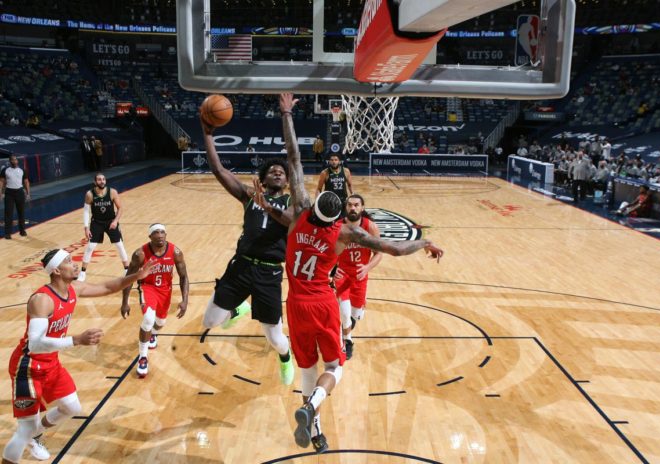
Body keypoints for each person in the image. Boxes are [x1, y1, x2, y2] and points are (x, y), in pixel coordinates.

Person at [263, 93, 443, 454]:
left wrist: (286, 112)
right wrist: (423, 242)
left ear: (314, 205)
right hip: (323, 302)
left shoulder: (298, 212)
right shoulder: (347, 234)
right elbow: (394, 248)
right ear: (340, 215)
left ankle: (312, 426)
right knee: (336, 366)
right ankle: (312, 406)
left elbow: (294, 158)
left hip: (295, 303)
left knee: (308, 370)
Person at [2, 249, 154, 464]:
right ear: (56, 270)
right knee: (23, 431)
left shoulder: (74, 289)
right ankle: (28, 437)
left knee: (72, 408)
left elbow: (107, 286)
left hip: (51, 363)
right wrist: (77, 340)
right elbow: (35, 344)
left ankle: (35, 434)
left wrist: (136, 276)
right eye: (67, 261)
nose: (74, 264)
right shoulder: (42, 300)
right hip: (27, 367)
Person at [199, 116, 295, 386]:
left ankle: (286, 358)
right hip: (240, 266)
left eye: (282, 171)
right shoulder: (249, 196)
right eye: (272, 170)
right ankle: (238, 309)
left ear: (287, 181)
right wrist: (208, 134)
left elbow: (290, 220)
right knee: (209, 320)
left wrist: (268, 207)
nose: (277, 172)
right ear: (262, 179)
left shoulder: (294, 201)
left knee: (275, 339)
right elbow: (219, 171)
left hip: (269, 273)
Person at [120, 224, 189, 378]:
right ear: (150, 237)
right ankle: (143, 357)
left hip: (166, 290)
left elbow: (184, 276)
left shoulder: (175, 252)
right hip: (148, 288)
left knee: (160, 322)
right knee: (148, 319)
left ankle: (153, 335)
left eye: (162, 232)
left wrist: (185, 300)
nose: (160, 235)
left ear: (166, 235)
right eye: (156, 233)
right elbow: (128, 278)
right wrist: (124, 302)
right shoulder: (140, 254)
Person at [333, 194, 382, 360]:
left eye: (356, 205)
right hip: (342, 274)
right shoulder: (337, 226)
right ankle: (347, 341)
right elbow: (325, 250)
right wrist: (332, 269)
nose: (352, 208)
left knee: (356, 316)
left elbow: (379, 254)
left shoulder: (370, 227)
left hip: (360, 276)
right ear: (345, 207)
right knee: (345, 313)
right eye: (350, 205)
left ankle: (347, 327)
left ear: (362, 208)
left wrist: (367, 267)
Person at [79, 173, 129, 281]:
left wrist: (115, 221)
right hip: (97, 222)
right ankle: (82, 272)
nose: (102, 181)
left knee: (119, 245)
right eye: (99, 179)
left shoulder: (112, 192)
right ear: (95, 182)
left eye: (103, 179)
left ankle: (127, 270)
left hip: (111, 222)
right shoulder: (89, 194)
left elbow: (120, 208)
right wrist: (86, 228)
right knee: (90, 247)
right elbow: (86, 211)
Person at [1, 154, 30, 239]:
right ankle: (7, 233)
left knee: (21, 212)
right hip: (9, 193)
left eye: (15, 160)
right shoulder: (5, 170)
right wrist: (0, 193)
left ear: (17, 161)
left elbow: (26, 182)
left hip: (19, 192)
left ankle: (22, 231)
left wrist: (28, 193)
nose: (14, 161)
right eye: (12, 160)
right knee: (8, 213)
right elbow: (1, 182)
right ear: (10, 161)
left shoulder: (22, 170)